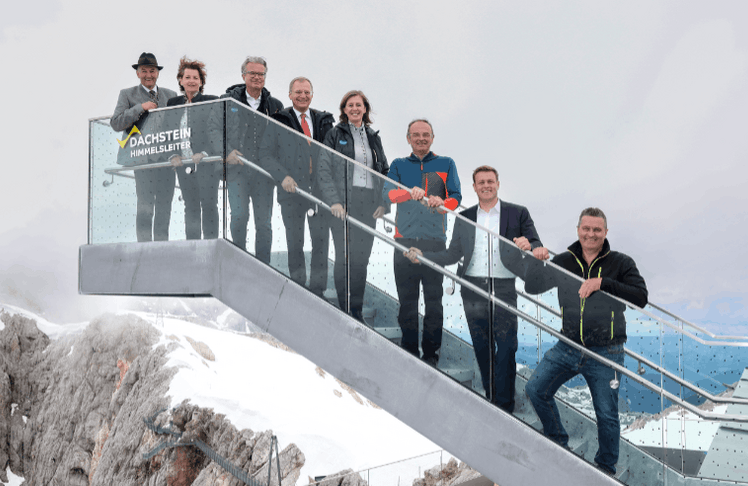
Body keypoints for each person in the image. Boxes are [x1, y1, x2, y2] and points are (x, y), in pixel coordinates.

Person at [405, 166, 548, 412]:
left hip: (502, 287)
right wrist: (424, 256)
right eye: (481, 182)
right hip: (471, 286)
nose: (486, 185)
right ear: (474, 187)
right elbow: (453, 253)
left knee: (506, 346)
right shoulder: (465, 217)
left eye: (490, 181)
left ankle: (505, 405)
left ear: (498, 183)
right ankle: (493, 397)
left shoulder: (517, 213)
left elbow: (536, 243)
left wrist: (532, 245)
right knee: (482, 346)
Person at [523, 207, 648, 476]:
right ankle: (558, 442)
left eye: (597, 229)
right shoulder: (564, 260)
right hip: (568, 346)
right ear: (578, 229)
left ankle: (604, 470)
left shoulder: (621, 262)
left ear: (605, 232)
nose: (591, 234)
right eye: (586, 228)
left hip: (607, 351)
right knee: (535, 389)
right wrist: (538, 261)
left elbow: (640, 297)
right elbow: (532, 287)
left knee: (606, 414)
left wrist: (602, 282)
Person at [382, 119, 462, 365]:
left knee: (434, 303)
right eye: (415, 135)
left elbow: (456, 197)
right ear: (408, 138)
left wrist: (443, 203)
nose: (421, 139)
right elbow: (388, 194)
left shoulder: (446, 163)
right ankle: (409, 351)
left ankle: (430, 355)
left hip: (434, 243)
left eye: (425, 135)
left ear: (432, 137)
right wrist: (410, 192)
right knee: (407, 302)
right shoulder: (398, 165)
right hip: (403, 241)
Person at [259, 77, 335, 296]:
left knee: (321, 242)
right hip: (292, 192)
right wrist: (283, 177)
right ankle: (299, 289)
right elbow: (265, 154)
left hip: (319, 192)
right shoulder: (279, 120)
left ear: (312, 94)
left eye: (307, 92)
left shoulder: (323, 120)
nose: (303, 96)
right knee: (295, 241)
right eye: (298, 92)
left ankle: (318, 290)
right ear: (290, 95)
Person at [317, 90, 389, 319]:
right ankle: (344, 306)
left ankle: (356, 308)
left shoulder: (373, 137)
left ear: (365, 109)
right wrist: (334, 201)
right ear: (344, 109)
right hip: (343, 202)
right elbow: (324, 169)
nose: (355, 108)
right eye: (350, 105)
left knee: (362, 258)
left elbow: (385, 172)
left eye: (359, 105)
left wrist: (385, 202)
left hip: (369, 203)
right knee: (344, 255)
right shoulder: (334, 134)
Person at [221, 56, 283, 261]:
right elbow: (214, 130)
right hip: (237, 170)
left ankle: (263, 266)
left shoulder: (275, 105)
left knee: (264, 224)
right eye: (252, 73)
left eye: (261, 74)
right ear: (243, 76)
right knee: (239, 217)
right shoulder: (227, 100)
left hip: (264, 174)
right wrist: (226, 151)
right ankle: (239, 261)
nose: (257, 77)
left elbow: (282, 139)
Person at [111, 52, 177, 242]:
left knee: (165, 206)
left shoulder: (171, 95)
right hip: (142, 160)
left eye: (152, 71)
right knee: (145, 207)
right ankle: (144, 248)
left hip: (166, 161)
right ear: (138, 73)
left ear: (158, 73)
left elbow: (177, 126)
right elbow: (116, 123)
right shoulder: (127, 94)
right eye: (144, 71)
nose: (149, 75)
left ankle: (162, 247)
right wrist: (141, 107)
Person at [166, 57, 220, 240]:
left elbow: (215, 131)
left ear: (201, 82)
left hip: (206, 163)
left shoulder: (211, 101)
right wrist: (173, 154)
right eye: (187, 77)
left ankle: (212, 245)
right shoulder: (173, 104)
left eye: (195, 78)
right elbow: (168, 133)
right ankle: (193, 246)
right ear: (181, 80)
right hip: (183, 165)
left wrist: (204, 152)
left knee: (209, 204)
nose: (191, 81)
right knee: (190, 206)